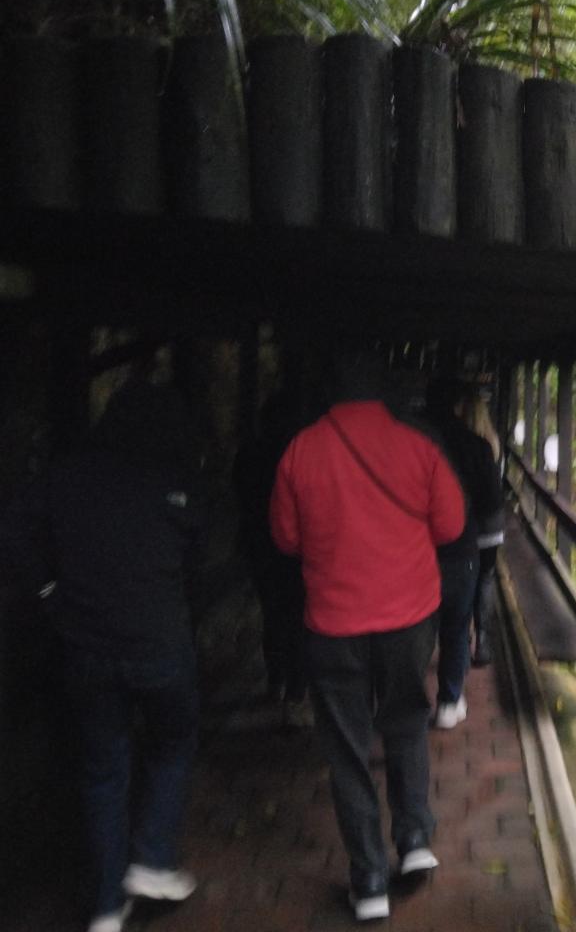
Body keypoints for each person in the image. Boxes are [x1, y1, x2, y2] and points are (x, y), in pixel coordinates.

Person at [1, 379, 206, 932]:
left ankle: (106, 907)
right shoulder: (174, 481)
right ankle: (152, 858)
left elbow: (12, 528)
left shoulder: (66, 476)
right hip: (160, 643)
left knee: (102, 771)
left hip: (86, 645)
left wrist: (49, 591)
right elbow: (196, 561)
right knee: (172, 744)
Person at [269, 351, 464, 922]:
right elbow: (451, 525)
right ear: (383, 392)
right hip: (408, 618)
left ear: (329, 393)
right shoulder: (418, 446)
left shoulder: (300, 451)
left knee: (347, 749)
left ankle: (370, 878)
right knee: (405, 722)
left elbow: (285, 539)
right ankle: (415, 838)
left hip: (334, 624)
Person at [421, 378, 504, 729]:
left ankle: (409, 697)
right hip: (460, 548)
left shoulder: (413, 441)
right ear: (458, 406)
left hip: (417, 550)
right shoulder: (476, 445)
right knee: (456, 626)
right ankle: (449, 701)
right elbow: (491, 502)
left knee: (418, 627)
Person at [233, 388, 309, 727]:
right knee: (298, 615)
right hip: (295, 547)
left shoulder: (250, 452)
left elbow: (240, 494)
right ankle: (296, 690)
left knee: (273, 613)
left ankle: (276, 679)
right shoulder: (300, 452)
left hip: (260, 545)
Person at [454, 385, 504, 667]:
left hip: (466, 526)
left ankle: (463, 641)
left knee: (465, 581)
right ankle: (482, 640)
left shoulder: (459, 443)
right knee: (485, 579)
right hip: (492, 525)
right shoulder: (492, 442)